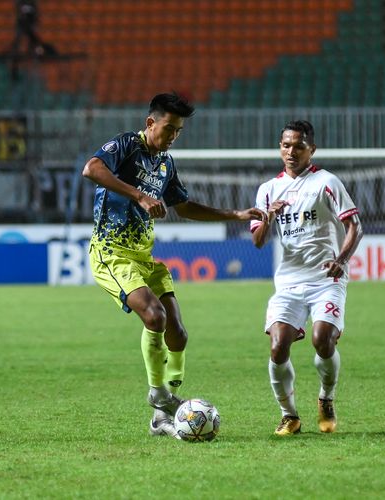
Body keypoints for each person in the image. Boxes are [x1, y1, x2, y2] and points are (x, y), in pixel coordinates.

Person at [82, 93, 265, 438]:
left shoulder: (165, 163)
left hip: (144, 257)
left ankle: (160, 417)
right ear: (151, 123)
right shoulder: (126, 145)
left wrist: (235, 215)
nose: (173, 137)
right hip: (111, 252)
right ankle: (159, 396)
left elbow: (183, 206)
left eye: (178, 131)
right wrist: (139, 195)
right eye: (169, 129)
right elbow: (91, 169)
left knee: (177, 334)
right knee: (154, 316)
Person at [250, 120, 363, 436]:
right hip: (288, 282)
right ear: (279, 148)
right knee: (278, 346)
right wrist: (269, 216)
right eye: (286, 145)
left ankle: (326, 398)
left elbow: (356, 226)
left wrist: (342, 260)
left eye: (299, 146)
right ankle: (290, 416)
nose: (291, 151)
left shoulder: (327, 182)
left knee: (322, 340)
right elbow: (257, 241)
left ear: (311, 149)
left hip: (327, 278)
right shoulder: (267, 190)